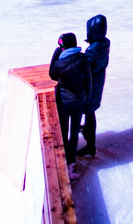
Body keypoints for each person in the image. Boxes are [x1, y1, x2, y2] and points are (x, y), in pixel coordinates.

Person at [49, 31, 92, 168]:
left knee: (63, 130)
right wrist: (87, 100)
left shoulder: (60, 63)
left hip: (64, 102)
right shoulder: (83, 59)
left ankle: (63, 160)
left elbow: (52, 75)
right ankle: (71, 162)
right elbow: (88, 81)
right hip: (79, 101)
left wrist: (56, 54)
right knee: (74, 132)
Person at [82, 14, 110, 158]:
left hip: (91, 84)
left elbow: (85, 67)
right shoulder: (105, 42)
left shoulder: (92, 49)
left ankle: (90, 146)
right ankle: (87, 132)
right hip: (98, 81)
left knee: (88, 110)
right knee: (90, 111)